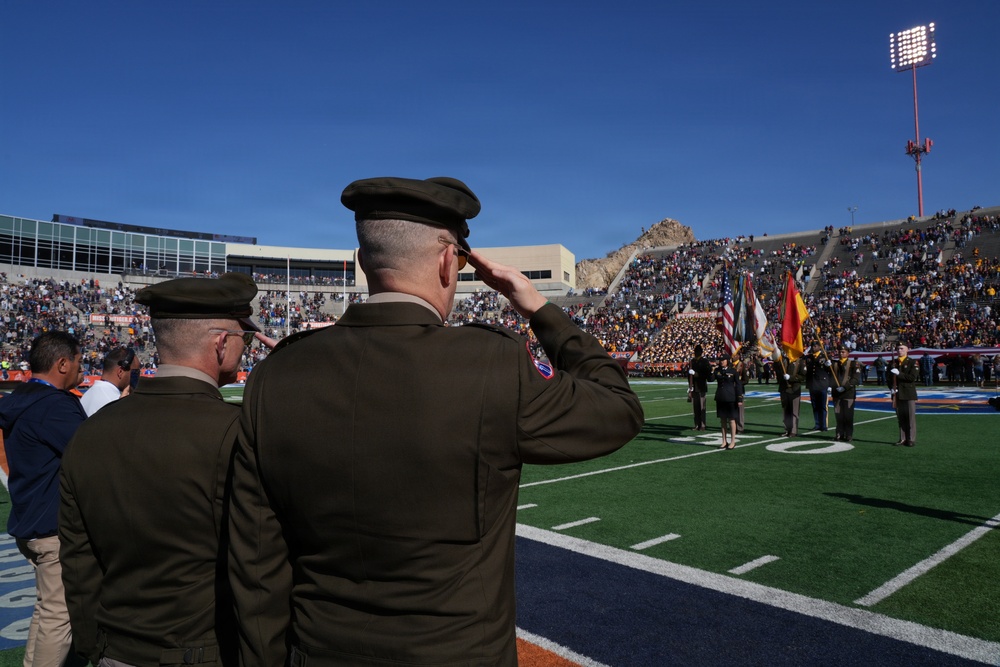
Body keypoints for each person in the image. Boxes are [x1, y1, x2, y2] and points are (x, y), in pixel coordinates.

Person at [228, 176, 644, 666]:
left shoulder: (277, 375)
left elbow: (256, 562)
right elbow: (618, 408)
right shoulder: (488, 363)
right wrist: (537, 308)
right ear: (449, 261)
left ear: (363, 264)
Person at [60, 273, 265, 667]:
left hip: (114, 650)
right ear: (221, 343)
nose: (247, 349)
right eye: (247, 339)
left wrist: (95, 646)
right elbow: (259, 565)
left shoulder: (90, 432)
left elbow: (79, 561)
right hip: (205, 651)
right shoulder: (235, 433)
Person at [0, 331, 86, 667]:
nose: (81, 369)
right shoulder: (53, 406)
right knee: (58, 616)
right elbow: (89, 454)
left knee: (46, 608)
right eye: (78, 362)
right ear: (62, 364)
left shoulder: (23, 397)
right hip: (51, 525)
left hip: (29, 519)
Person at [79, 347, 140, 416]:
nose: (138, 376)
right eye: (135, 372)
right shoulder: (114, 402)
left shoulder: (87, 395)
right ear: (120, 372)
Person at [890, 342, 919, 447]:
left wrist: (899, 374)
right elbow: (889, 378)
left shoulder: (912, 362)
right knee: (901, 417)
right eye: (898, 349)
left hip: (908, 393)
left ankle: (910, 439)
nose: (899, 350)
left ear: (907, 350)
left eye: (902, 348)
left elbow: (912, 378)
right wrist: (891, 389)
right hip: (897, 394)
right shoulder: (893, 363)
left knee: (910, 417)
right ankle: (902, 438)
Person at [830, 346, 861, 442]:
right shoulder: (834, 363)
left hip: (848, 393)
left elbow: (855, 379)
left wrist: (845, 387)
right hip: (837, 393)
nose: (841, 353)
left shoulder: (853, 364)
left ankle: (848, 435)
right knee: (838, 415)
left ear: (848, 353)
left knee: (848, 415)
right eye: (839, 351)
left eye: (843, 352)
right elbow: (829, 376)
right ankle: (839, 434)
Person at [713, 356, 742, 449]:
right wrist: (711, 371)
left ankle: (733, 441)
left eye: (723, 360)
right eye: (720, 360)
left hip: (731, 397)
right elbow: (710, 379)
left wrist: (739, 398)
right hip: (720, 397)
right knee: (722, 420)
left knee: (732, 420)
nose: (721, 362)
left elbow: (738, 385)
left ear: (727, 361)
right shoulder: (717, 370)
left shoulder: (733, 371)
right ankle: (724, 441)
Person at [804, 340, 833, 431]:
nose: (813, 348)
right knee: (815, 406)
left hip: (822, 385)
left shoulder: (825, 357)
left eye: (815, 346)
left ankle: (824, 425)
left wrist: (830, 385)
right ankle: (817, 424)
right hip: (812, 385)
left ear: (820, 347)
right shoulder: (809, 357)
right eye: (812, 346)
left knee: (823, 406)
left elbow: (830, 371)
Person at [777, 354, 806, 437]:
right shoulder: (783, 360)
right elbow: (778, 370)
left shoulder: (800, 361)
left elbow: (803, 376)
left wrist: (791, 377)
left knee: (794, 412)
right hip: (784, 388)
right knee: (786, 411)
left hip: (794, 389)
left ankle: (793, 430)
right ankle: (787, 429)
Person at [688, 344, 713, 430]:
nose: (696, 353)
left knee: (702, 407)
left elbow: (706, 373)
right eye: (696, 351)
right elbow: (689, 376)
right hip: (694, 386)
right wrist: (690, 386)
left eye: (698, 351)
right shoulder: (692, 361)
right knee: (695, 408)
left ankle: (702, 424)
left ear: (701, 352)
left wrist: (696, 374)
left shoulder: (704, 361)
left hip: (701, 386)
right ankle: (696, 424)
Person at [733, 352, 750, 434]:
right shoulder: (730, 365)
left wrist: (738, 383)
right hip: (730, 391)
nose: (733, 357)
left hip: (739, 390)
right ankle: (733, 427)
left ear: (738, 356)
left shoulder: (742, 365)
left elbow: (746, 380)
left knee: (740, 410)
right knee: (732, 409)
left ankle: (740, 428)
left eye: (735, 355)